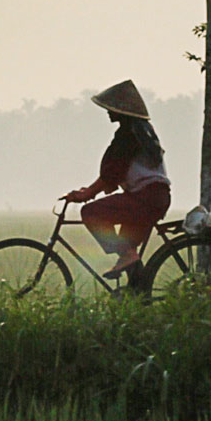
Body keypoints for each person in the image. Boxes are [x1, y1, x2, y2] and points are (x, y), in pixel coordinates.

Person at [63, 80, 172, 285]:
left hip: (145, 198)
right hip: (154, 197)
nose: (107, 111)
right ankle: (139, 299)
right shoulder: (140, 130)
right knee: (129, 257)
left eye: (111, 107)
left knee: (91, 213)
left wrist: (87, 195)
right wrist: (91, 189)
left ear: (122, 110)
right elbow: (113, 172)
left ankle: (128, 256)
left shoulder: (129, 134)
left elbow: (113, 171)